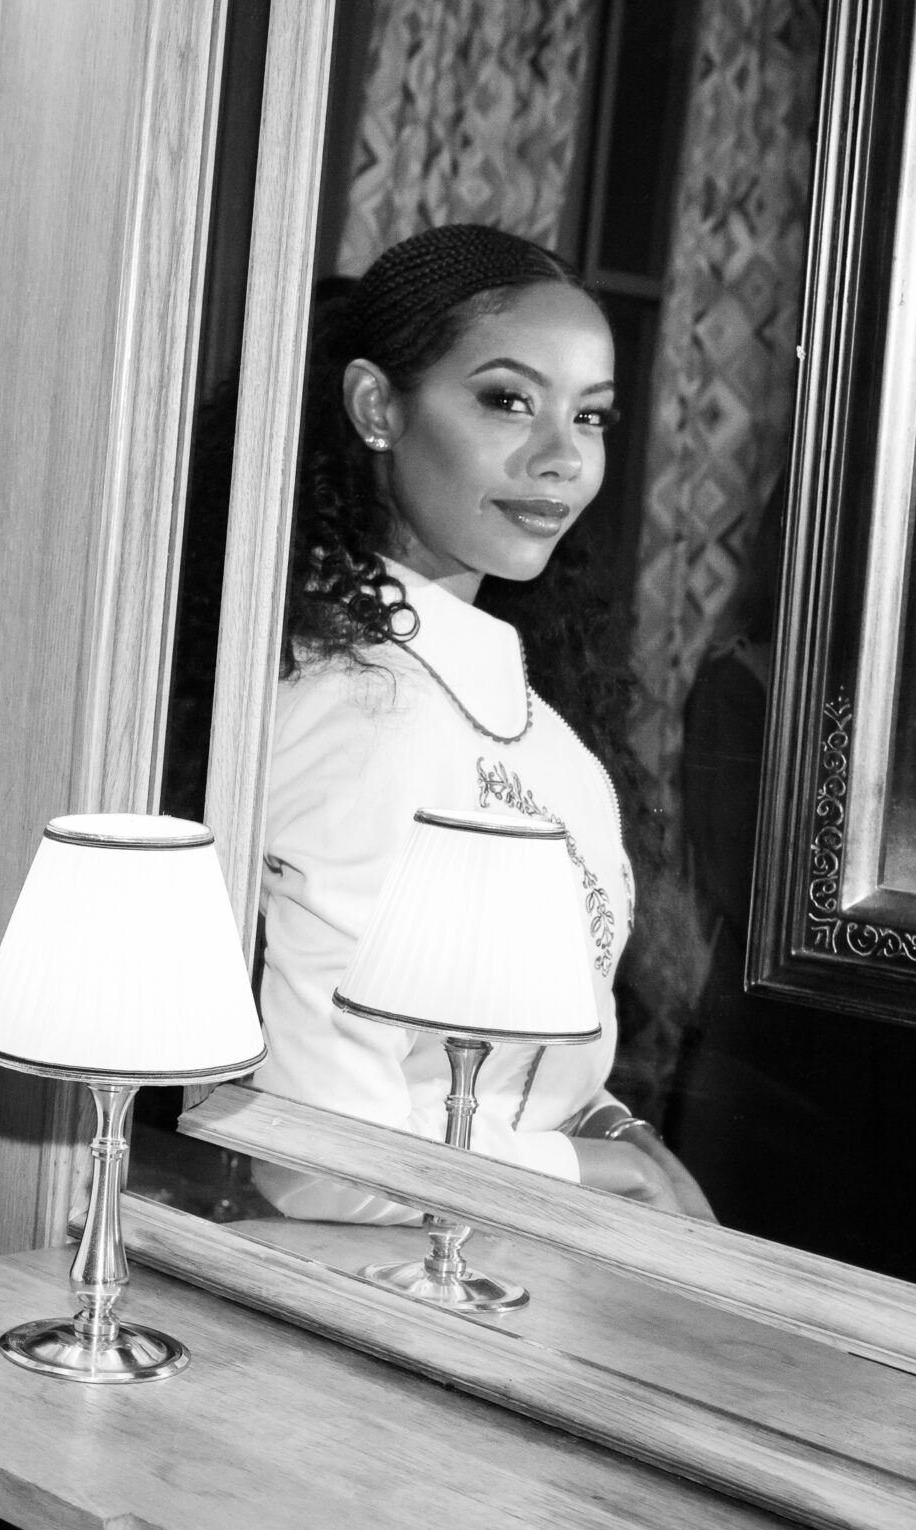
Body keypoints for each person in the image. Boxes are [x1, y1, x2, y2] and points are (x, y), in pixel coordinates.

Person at [251, 224, 711, 1223]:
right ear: (377, 406)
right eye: (507, 400)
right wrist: (587, 1172)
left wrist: (613, 1130)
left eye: (589, 417)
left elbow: (531, 1072)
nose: (561, 459)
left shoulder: (530, 724)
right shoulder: (361, 714)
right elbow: (314, 1153)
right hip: (386, 1277)